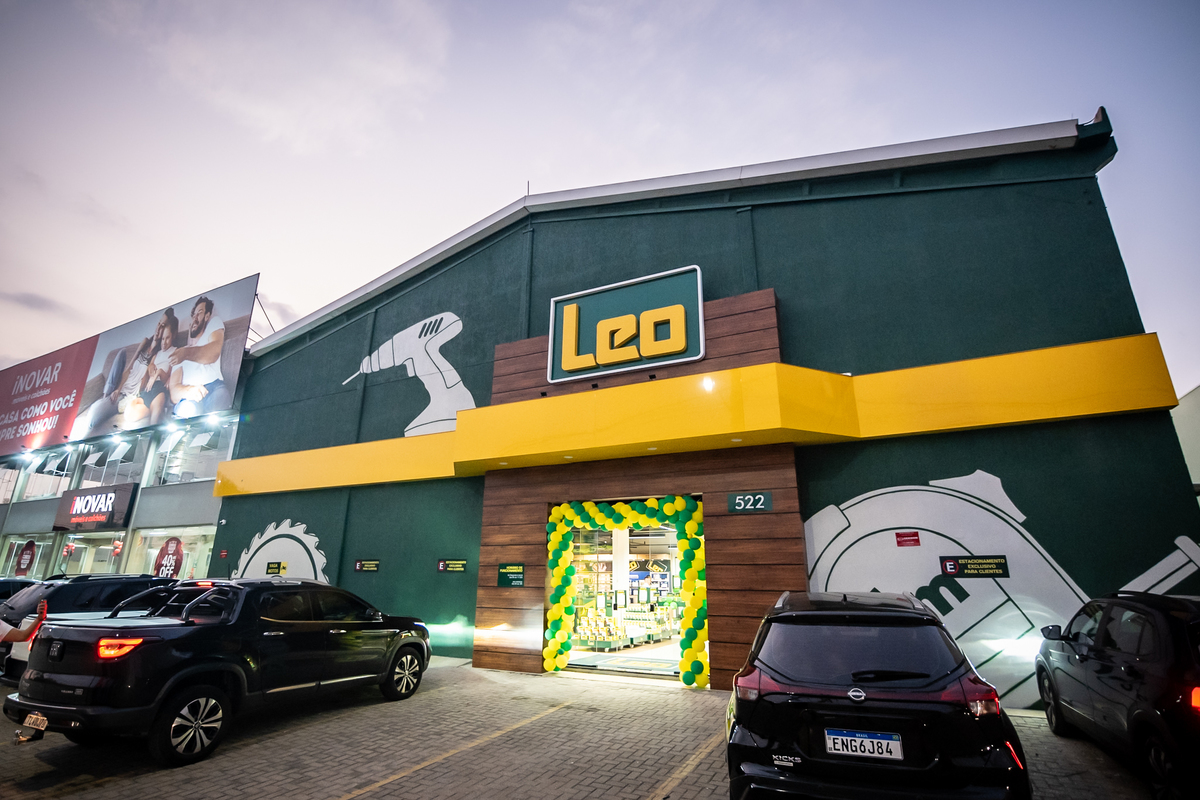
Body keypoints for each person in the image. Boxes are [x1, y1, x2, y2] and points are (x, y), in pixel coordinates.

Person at [169, 296, 230, 417]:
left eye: (200, 313)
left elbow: (213, 353)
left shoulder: (213, 324)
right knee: (187, 409)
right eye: (193, 315)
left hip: (214, 388)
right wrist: (189, 390)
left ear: (207, 316)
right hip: (188, 395)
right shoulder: (179, 352)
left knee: (220, 399)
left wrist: (185, 354)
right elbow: (174, 393)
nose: (195, 318)